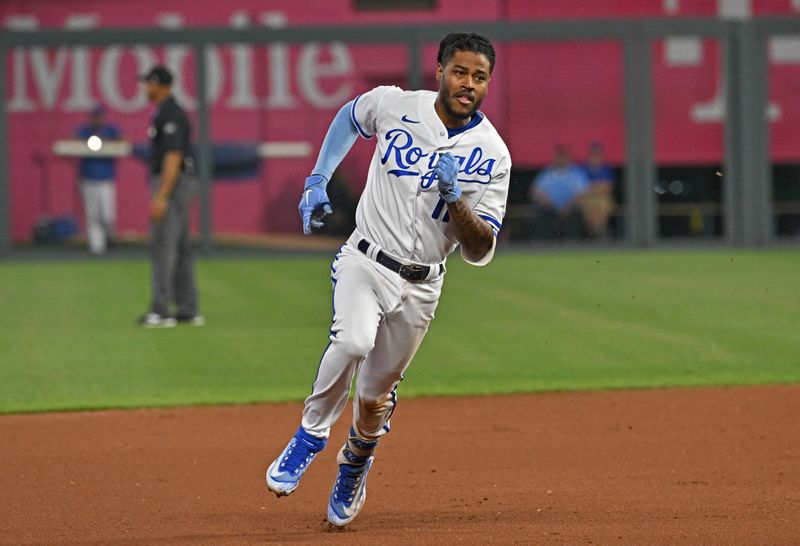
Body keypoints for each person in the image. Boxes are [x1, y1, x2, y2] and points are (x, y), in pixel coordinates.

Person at [265, 33, 510, 527]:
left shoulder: (494, 155)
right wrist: (318, 177)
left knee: (375, 397)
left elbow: (482, 248)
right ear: (440, 69)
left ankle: (355, 461)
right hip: (366, 259)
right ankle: (311, 434)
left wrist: (457, 200)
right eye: (460, 71)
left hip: (423, 284)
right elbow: (350, 117)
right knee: (353, 340)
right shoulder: (396, 105)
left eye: (479, 77)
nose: (468, 84)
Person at [137, 66, 203, 328]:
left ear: (159, 84)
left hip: (173, 183)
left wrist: (162, 197)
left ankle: (161, 310)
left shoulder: (171, 113)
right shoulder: (165, 112)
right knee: (182, 245)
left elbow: (173, 156)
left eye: (148, 84)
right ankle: (188, 308)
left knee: (163, 244)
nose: (144, 88)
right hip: (179, 183)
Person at [74, 105, 121, 254]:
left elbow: (124, 140)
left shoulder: (110, 130)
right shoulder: (85, 131)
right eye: (95, 117)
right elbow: (71, 140)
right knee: (92, 215)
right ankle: (97, 247)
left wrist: (107, 141)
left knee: (107, 215)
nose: (98, 120)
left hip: (106, 180)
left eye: (100, 116)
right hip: (88, 179)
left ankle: (109, 239)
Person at [529, 145, 588, 239]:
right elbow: (535, 191)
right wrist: (547, 202)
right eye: (559, 157)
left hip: (570, 209)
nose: (561, 159)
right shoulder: (546, 173)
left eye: (563, 156)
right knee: (540, 212)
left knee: (578, 213)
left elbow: (582, 193)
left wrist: (568, 206)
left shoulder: (576, 173)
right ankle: (542, 244)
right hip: (549, 208)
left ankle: (574, 243)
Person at [580, 142, 616, 239]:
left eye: (598, 154)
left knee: (601, 207)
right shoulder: (583, 168)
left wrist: (591, 187)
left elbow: (608, 188)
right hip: (586, 198)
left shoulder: (606, 168)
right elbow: (581, 187)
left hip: (602, 197)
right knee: (590, 209)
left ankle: (598, 234)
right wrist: (597, 186)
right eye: (593, 154)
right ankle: (593, 234)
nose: (595, 156)